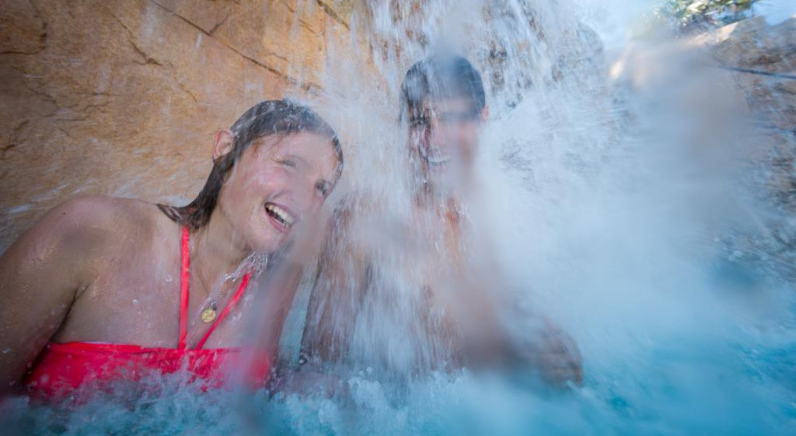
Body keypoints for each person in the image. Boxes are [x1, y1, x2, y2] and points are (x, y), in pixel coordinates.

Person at [0, 100, 343, 398]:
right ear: (226, 148)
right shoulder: (91, 232)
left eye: (321, 188)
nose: (305, 199)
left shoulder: (276, 280)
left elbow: (260, 395)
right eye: (291, 165)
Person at [297, 55, 582, 387]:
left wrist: (551, 356)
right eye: (420, 122)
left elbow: (513, 325)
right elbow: (316, 371)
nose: (434, 139)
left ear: (482, 119)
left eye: (450, 118)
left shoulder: (496, 213)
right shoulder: (364, 216)